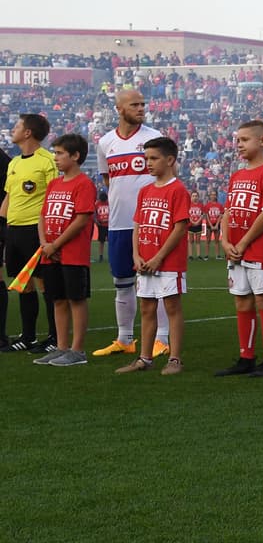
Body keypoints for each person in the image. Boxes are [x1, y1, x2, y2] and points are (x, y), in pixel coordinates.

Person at [92, 90, 167, 358]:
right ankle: (125, 339)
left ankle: (162, 338)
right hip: (119, 223)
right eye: (134, 104)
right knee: (122, 281)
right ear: (119, 108)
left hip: (151, 223)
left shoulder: (153, 137)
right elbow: (107, 179)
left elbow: (169, 176)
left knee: (155, 280)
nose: (141, 108)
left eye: (142, 104)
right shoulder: (105, 142)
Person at [215, 120, 263, 378]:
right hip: (235, 250)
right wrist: (225, 241)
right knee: (242, 301)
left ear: (262, 141)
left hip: (260, 248)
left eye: (244, 140)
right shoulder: (237, 175)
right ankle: (246, 356)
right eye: (237, 140)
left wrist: (243, 243)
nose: (239, 145)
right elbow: (228, 212)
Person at [117, 137, 188, 375]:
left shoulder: (178, 190)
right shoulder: (145, 190)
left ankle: (175, 359)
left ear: (169, 160)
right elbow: (138, 224)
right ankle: (144, 358)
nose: (148, 163)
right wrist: (136, 255)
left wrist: (159, 257)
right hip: (145, 261)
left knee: (172, 308)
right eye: (146, 158)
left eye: (154, 158)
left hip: (168, 262)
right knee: (147, 308)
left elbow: (179, 227)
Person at [33, 134, 96, 367]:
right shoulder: (54, 184)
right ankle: (60, 347)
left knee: (76, 299)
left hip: (73, 254)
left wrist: (55, 244)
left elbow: (81, 220)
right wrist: (44, 245)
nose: (55, 157)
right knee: (57, 299)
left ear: (75, 156)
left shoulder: (84, 184)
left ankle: (77, 350)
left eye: (60, 153)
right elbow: (43, 215)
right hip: (50, 253)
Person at [1, 113, 59, 354]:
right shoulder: (14, 163)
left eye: (16, 126)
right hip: (13, 230)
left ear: (28, 133)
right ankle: (28, 337)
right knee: (23, 285)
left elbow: (55, 196)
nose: (12, 130)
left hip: (36, 230)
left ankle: (55, 337)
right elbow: (9, 197)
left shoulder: (48, 161)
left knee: (45, 284)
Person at [206, 192, 225, 261]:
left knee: (217, 241)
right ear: (210, 196)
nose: (213, 196)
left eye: (214, 195)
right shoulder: (207, 205)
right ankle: (206, 255)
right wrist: (210, 225)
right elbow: (207, 216)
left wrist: (217, 224)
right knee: (208, 240)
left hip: (217, 224)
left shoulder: (219, 205)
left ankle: (217, 255)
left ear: (216, 196)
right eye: (211, 194)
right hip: (209, 225)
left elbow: (220, 215)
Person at [187, 190, 205, 262]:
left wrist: (197, 221)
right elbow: (187, 214)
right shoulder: (188, 204)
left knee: (198, 241)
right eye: (193, 196)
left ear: (198, 197)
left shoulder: (201, 205)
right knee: (191, 241)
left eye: (196, 196)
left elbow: (202, 214)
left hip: (198, 224)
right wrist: (192, 221)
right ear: (191, 197)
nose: (195, 197)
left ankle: (198, 255)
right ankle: (190, 256)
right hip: (191, 224)